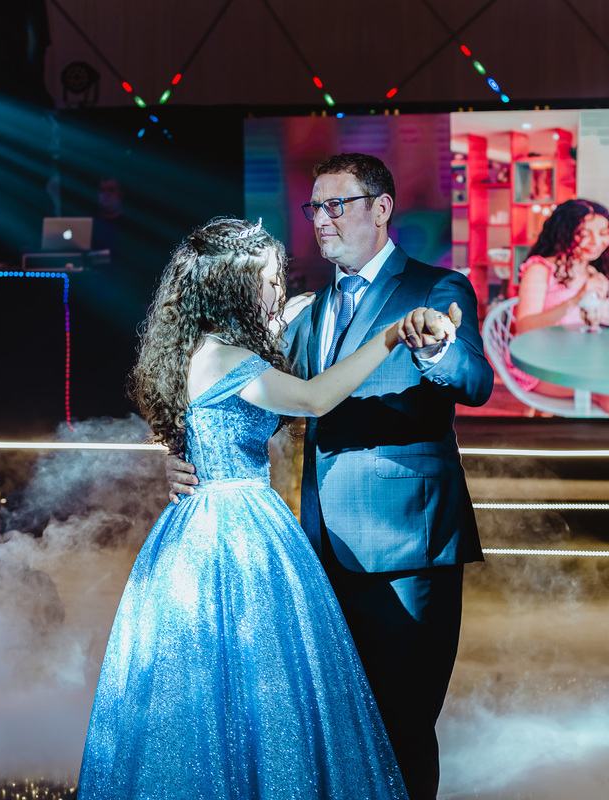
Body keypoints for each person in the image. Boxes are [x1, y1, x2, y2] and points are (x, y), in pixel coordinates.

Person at [78, 217, 457, 799]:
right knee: (262, 680)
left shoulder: (196, 349)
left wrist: (285, 314)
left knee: (211, 688)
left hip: (195, 525)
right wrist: (388, 337)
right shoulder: (230, 361)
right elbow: (314, 397)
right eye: (268, 280)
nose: (277, 290)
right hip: (240, 528)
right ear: (234, 287)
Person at [169, 154, 495, 799]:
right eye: (313, 207)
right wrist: (188, 458)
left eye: (336, 205)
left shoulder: (435, 287)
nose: (321, 220)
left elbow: (476, 379)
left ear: (380, 209)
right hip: (314, 556)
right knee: (336, 729)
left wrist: (434, 347)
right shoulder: (302, 311)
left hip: (408, 547)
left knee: (403, 724)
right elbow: (235, 394)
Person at [507, 198, 609, 400]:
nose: (596, 242)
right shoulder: (540, 269)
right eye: (584, 234)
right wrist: (576, 299)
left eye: (603, 234)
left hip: (579, 361)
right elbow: (524, 328)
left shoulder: (592, 273)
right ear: (563, 234)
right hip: (541, 365)